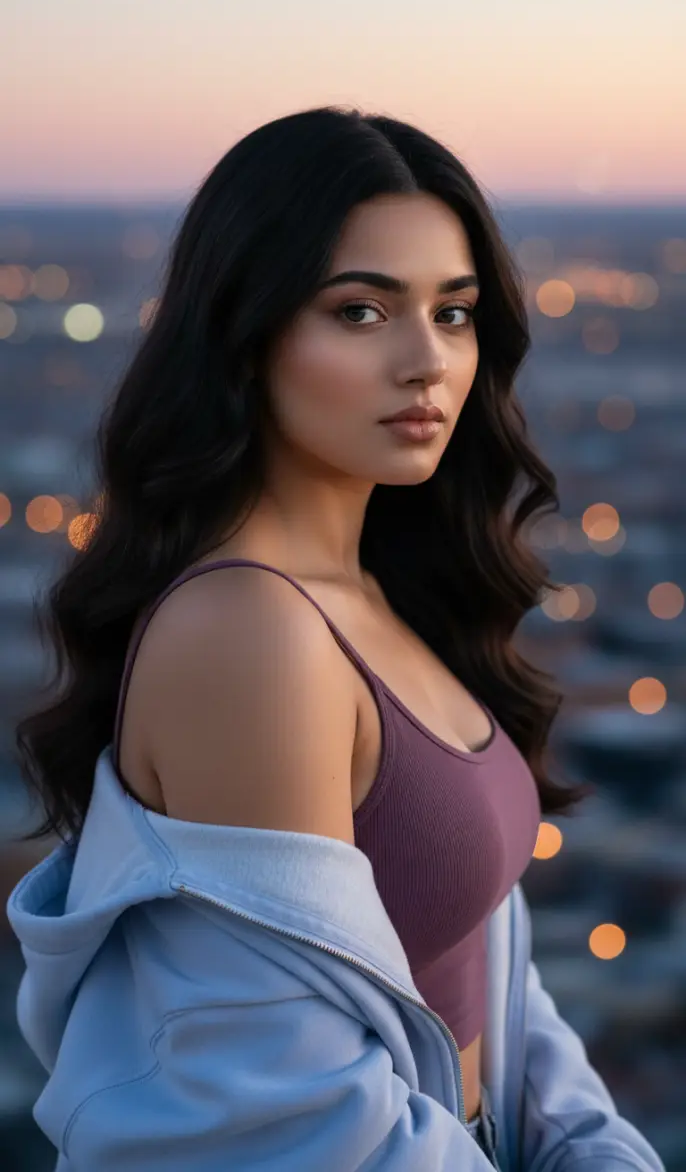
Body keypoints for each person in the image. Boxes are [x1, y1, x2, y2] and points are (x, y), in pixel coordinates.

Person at [6, 106, 664, 1171]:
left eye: (453, 314)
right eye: (359, 312)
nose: (426, 362)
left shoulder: (384, 590)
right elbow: (299, 1121)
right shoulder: (249, 631)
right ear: (244, 332)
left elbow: (489, 970)